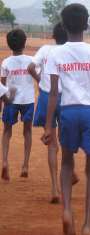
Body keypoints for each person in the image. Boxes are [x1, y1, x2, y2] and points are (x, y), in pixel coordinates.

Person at [42, 4, 90, 235]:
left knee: (66, 163)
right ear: (86, 25)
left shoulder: (56, 53)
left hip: (69, 112)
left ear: (63, 26)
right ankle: (87, 225)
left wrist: (47, 126)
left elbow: (54, 93)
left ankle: (66, 210)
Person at [28, 23, 79, 204]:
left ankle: (54, 188)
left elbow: (30, 67)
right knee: (66, 140)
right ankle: (69, 173)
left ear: (53, 36)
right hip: (66, 98)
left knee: (51, 143)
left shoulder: (46, 49)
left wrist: (40, 80)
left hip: (46, 97)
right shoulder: (71, 51)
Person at [1, 29, 34, 181]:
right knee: (27, 131)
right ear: (24, 43)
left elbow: (2, 85)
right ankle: (25, 165)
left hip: (10, 100)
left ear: (9, 45)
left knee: (7, 130)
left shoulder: (6, 62)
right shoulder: (31, 60)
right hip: (27, 100)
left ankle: (5, 161)